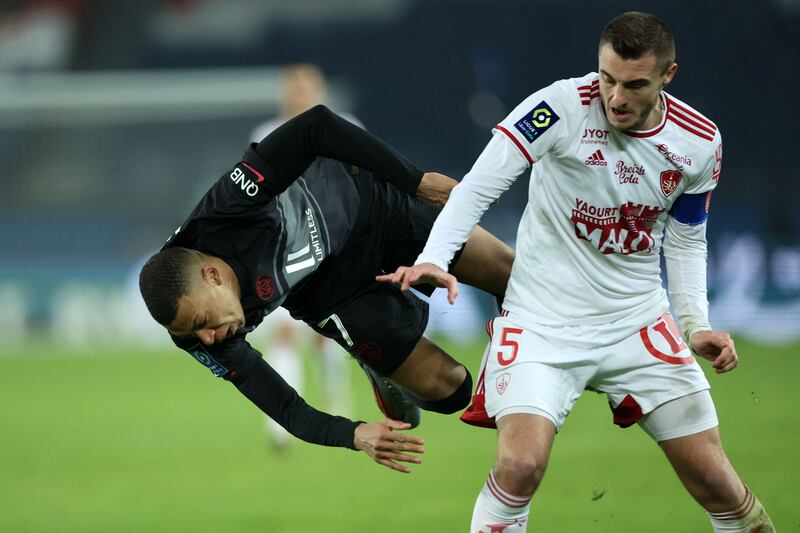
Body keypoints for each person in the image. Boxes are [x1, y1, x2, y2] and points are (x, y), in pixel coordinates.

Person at [379, 11, 774, 530]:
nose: (615, 97)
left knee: (717, 483)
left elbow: (685, 237)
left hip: (637, 321)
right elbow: (478, 185)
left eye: (634, 85)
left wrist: (695, 323)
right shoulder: (558, 107)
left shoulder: (699, 142)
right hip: (540, 320)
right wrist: (434, 254)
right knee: (520, 465)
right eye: (607, 78)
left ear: (667, 77)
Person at [138, 103, 514, 473]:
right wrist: (355, 434)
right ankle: (379, 368)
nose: (208, 337)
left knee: (510, 274)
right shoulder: (195, 331)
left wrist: (418, 182)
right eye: (192, 333)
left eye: (202, 321)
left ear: (213, 276)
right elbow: (285, 408)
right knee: (452, 391)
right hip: (335, 296)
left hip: (373, 205)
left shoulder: (230, 206)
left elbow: (315, 126)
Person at [250, 63, 361, 451]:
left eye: (304, 88)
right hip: (284, 248)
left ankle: (337, 399)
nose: (296, 95)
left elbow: (362, 187)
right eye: (291, 88)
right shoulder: (265, 134)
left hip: (334, 247)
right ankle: (280, 427)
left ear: (321, 91)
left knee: (326, 334)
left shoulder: (346, 127)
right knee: (283, 334)